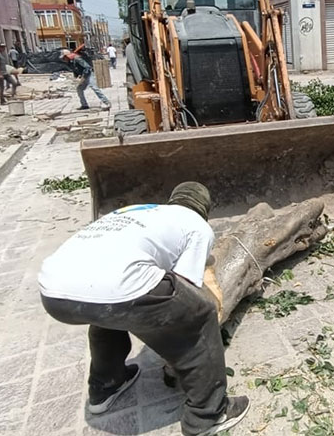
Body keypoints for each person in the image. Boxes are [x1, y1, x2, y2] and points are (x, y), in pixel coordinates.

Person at [38, 182, 248, 436]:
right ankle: (209, 414)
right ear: (204, 210)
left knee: (109, 307)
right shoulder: (197, 225)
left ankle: (106, 385)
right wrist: (176, 349)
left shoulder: (136, 212)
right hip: (113, 288)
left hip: (53, 292)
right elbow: (185, 285)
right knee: (199, 313)